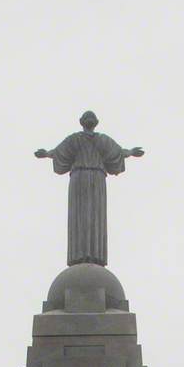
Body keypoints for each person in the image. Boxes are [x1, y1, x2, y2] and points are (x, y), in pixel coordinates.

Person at [35, 111, 144, 266]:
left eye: (91, 118)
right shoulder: (75, 139)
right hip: (79, 178)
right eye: (87, 118)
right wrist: (46, 154)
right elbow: (59, 152)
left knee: (95, 215)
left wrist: (132, 152)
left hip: (96, 180)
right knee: (79, 215)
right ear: (82, 121)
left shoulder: (102, 140)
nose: (89, 120)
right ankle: (78, 254)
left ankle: (96, 254)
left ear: (95, 122)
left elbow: (118, 152)